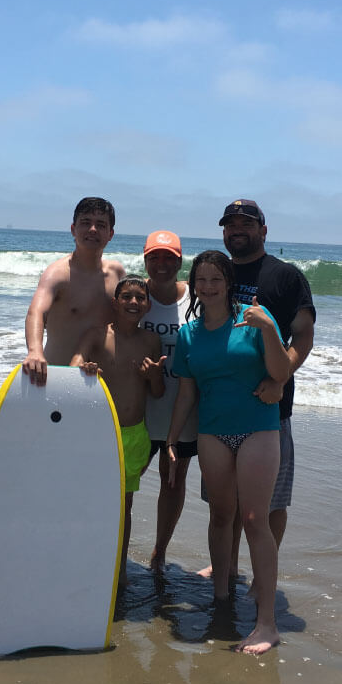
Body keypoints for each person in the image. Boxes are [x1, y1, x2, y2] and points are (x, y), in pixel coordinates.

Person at [166, 251, 291, 654]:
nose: (207, 287)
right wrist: (171, 440)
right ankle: (221, 600)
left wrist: (269, 329)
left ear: (229, 281)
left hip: (258, 428)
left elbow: (279, 373)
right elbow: (187, 392)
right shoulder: (189, 334)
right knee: (221, 515)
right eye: (200, 279)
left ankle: (267, 623)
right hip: (213, 433)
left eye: (216, 279)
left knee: (255, 519)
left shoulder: (254, 321)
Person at [206, 199, 316, 583]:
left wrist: (281, 378)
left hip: (271, 408)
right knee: (225, 504)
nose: (237, 230)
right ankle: (228, 565)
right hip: (222, 407)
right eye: (230, 224)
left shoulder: (285, 276)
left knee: (270, 503)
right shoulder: (216, 274)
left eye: (246, 224)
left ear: (263, 231)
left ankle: (260, 576)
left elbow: (304, 335)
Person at [71, 276, 167, 588]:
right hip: (98, 434)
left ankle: (120, 567)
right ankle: (85, 558)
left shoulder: (151, 341)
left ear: (148, 305)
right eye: (127, 296)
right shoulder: (98, 334)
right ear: (116, 302)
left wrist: (153, 376)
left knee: (123, 507)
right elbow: (75, 360)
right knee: (91, 502)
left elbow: (157, 392)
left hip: (134, 435)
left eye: (140, 298)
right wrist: (83, 368)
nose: (134, 302)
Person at [139, 230, 199, 573]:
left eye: (169, 258)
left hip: (184, 409)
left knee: (173, 481)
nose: (161, 264)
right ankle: (113, 545)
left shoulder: (196, 298)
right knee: (125, 481)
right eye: (154, 257)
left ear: (180, 260)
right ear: (145, 260)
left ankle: (159, 552)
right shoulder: (134, 295)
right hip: (141, 408)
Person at [22, 197, 126, 385]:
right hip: (58, 378)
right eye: (86, 223)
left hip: (102, 383)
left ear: (110, 234)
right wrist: (34, 351)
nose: (93, 229)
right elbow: (36, 311)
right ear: (73, 229)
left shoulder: (116, 273)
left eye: (100, 225)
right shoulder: (58, 274)